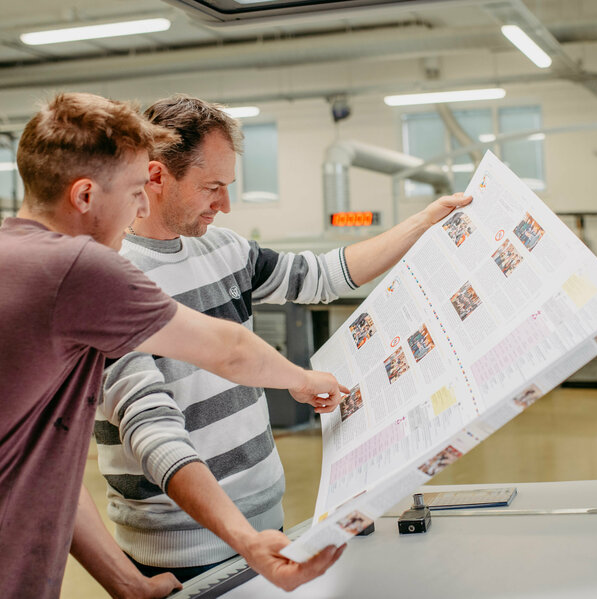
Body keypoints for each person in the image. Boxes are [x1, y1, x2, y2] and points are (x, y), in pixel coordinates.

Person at [90, 94, 472, 587]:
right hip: (180, 546)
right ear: (158, 177)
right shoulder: (111, 280)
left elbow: (324, 276)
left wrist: (423, 223)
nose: (225, 204)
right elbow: (150, 429)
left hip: (265, 520)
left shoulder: (225, 249)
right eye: (212, 187)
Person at [0, 92, 347, 599]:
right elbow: (226, 350)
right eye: (136, 190)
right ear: (84, 197)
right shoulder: (78, 269)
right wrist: (303, 380)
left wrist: (127, 584)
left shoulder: (16, 259)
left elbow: (43, 464)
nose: (143, 206)